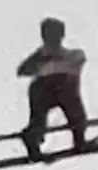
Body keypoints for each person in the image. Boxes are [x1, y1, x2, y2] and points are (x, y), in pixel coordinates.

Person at [17, 18, 90, 159]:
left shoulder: (69, 55)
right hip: (45, 91)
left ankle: (79, 137)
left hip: (63, 90)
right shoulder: (43, 55)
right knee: (39, 120)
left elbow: (78, 60)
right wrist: (44, 66)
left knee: (75, 112)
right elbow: (23, 70)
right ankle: (34, 140)